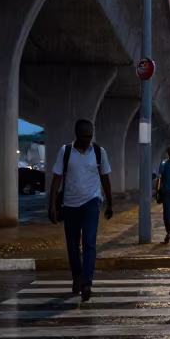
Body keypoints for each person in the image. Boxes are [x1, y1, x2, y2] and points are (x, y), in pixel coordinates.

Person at [48, 118, 113, 302]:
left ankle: (87, 282)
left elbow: (105, 178)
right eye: (85, 136)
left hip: (92, 202)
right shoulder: (65, 151)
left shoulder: (99, 152)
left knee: (89, 243)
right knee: (72, 245)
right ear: (77, 135)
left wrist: (110, 202)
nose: (88, 140)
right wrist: (52, 204)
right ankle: (77, 275)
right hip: (70, 204)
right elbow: (57, 178)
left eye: (90, 136)